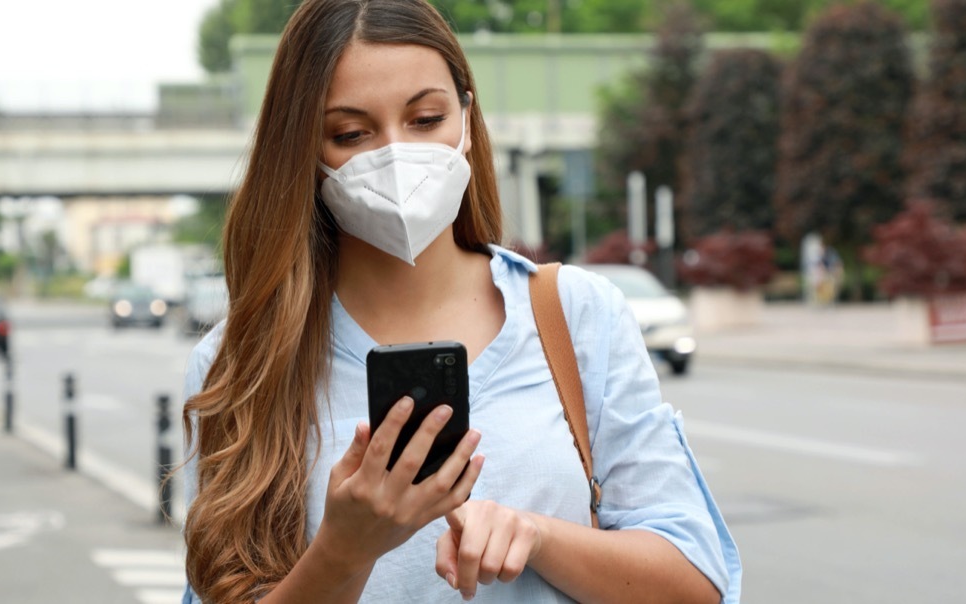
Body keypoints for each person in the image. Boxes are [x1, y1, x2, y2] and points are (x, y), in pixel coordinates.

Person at [179, 1, 741, 602]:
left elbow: (697, 582)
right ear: (304, 152)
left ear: (467, 120)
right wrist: (343, 551)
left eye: (426, 119)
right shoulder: (242, 361)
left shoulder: (576, 314)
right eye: (350, 133)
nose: (396, 155)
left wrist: (539, 537)